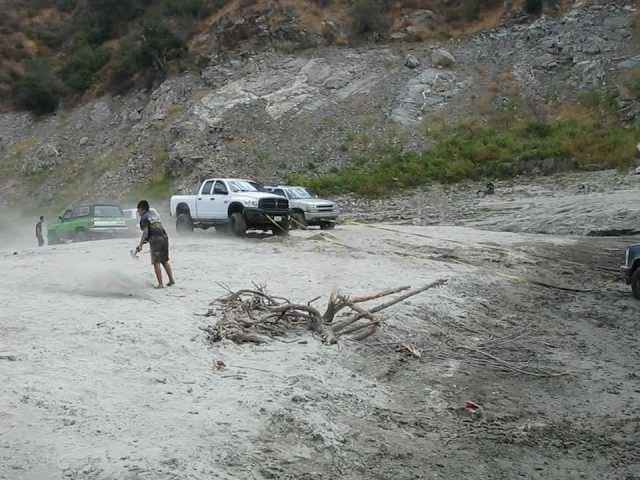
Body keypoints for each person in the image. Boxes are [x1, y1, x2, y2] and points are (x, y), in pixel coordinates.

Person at [135, 200, 175, 288]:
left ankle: (160, 284)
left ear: (142, 209)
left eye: (138, 210)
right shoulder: (153, 214)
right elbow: (153, 229)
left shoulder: (144, 217)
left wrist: (140, 244)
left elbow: (145, 232)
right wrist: (144, 241)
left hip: (156, 239)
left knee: (156, 262)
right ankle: (171, 280)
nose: (138, 212)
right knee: (164, 260)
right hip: (164, 237)